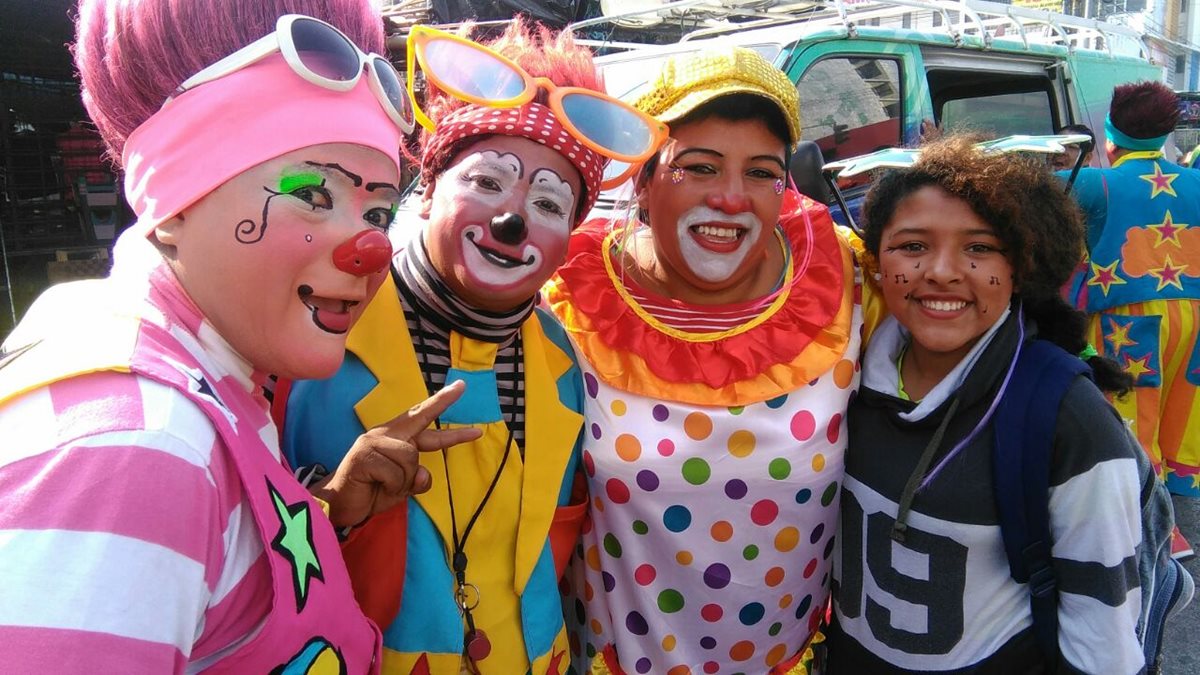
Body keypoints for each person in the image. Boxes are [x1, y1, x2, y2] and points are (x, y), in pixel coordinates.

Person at [0, 1, 482, 671]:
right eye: (314, 194)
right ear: (172, 205)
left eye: (377, 207)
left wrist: (327, 513)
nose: (372, 247)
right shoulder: (133, 443)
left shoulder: (206, 380)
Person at [279, 20, 658, 674]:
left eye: (548, 201)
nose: (512, 218)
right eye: (486, 182)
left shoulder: (560, 357)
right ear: (428, 185)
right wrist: (334, 504)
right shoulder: (314, 330)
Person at [545, 46, 868, 673]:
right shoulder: (566, 293)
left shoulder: (847, 283)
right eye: (698, 167)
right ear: (642, 179)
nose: (730, 198)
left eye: (760, 173)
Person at [829, 135, 1150, 673]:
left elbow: (1104, 639)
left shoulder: (1066, 417)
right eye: (912, 246)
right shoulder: (842, 373)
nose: (942, 272)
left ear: (1024, 264)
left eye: (980, 248)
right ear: (876, 262)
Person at [1066, 82, 1200, 506]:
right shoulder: (1196, 181)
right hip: (1195, 317)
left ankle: (1147, 520)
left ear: (1109, 136)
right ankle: (1179, 512)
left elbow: (1011, 190)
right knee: (1183, 417)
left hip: (1130, 318)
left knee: (1131, 420)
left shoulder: (1094, 183)